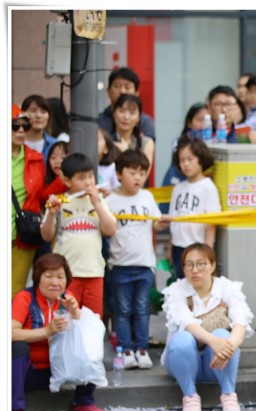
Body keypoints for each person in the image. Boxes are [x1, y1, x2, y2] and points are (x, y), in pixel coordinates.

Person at [12, 253, 110, 411]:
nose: (54, 282)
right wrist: (46, 331)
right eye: (48, 276)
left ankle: (83, 401)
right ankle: (14, 410)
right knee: (18, 348)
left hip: (58, 370)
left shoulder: (66, 298)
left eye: (60, 277)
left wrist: (75, 314)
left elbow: (81, 332)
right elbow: (10, 333)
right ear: (38, 278)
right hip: (28, 372)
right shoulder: (24, 298)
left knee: (87, 340)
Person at [161, 243, 254, 411]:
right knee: (182, 339)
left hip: (216, 362)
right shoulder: (176, 290)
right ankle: (190, 395)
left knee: (225, 335)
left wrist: (227, 346)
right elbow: (187, 322)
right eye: (189, 265)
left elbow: (241, 320)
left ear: (212, 265)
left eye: (201, 264)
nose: (195, 270)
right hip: (181, 363)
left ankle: (228, 394)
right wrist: (214, 342)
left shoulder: (228, 288)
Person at [106, 150, 171, 370]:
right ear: (118, 174)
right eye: (132, 172)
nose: (137, 178)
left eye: (142, 173)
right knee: (122, 310)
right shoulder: (110, 200)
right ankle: (125, 349)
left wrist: (163, 222)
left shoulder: (147, 196)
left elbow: (155, 224)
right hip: (119, 265)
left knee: (142, 309)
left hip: (144, 264)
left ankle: (142, 348)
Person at [40, 153, 117, 319]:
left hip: (94, 271)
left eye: (90, 176)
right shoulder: (58, 202)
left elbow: (110, 230)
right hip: (65, 275)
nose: (88, 182)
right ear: (67, 181)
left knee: (93, 320)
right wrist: (52, 214)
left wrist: (97, 203)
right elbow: (46, 236)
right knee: (66, 319)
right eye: (81, 178)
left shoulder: (98, 200)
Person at [168, 136, 221, 280]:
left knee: (197, 287)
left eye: (190, 159)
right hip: (178, 247)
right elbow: (174, 219)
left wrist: (207, 251)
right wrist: (170, 247)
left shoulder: (208, 188)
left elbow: (211, 222)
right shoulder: (178, 188)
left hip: (197, 248)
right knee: (180, 286)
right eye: (182, 160)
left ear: (200, 159)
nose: (185, 164)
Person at [11, 104, 46, 297]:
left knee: (14, 292)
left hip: (21, 235)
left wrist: (63, 184)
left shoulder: (35, 158)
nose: (21, 131)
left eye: (25, 126)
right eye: (15, 126)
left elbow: (42, 197)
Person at [98, 67, 156, 141]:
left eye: (127, 87)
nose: (122, 91)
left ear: (136, 93)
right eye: (117, 86)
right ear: (108, 91)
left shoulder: (145, 122)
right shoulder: (98, 122)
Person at [111, 94, 155, 174]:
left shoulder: (146, 143)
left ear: (139, 118)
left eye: (132, 113)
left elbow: (143, 175)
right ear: (114, 113)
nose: (126, 117)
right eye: (121, 111)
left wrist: (126, 152)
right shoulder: (105, 141)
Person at [21, 95, 58, 163]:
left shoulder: (55, 145)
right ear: (23, 114)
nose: (38, 116)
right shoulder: (15, 143)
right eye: (33, 111)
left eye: (43, 112)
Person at [96, 127, 121, 197]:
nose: (92, 142)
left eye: (97, 139)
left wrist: (110, 194)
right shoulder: (80, 166)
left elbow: (118, 190)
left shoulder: (112, 167)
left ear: (106, 149)